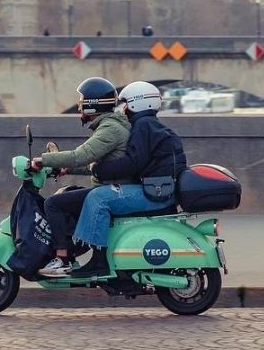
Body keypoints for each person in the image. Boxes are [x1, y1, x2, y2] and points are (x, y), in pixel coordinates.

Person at [71, 81, 187, 277]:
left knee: (98, 198)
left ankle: (98, 261)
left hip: (155, 192)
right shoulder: (152, 125)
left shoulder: (143, 126)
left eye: (124, 103)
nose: (121, 109)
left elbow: (133, 163)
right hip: (161, 188)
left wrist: (100, 171)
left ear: (136, 103)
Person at [30, 77, 137, 277]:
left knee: (54, 203)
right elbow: (98, 165)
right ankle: (70, 253)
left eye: (82, 100)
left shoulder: (110, 129)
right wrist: (67, 170)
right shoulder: (112, 125)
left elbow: (81, 155)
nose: (79, 104)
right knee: (67, 193)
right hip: (111, 186)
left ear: (91, 104)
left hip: (111, 190)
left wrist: (42, 160)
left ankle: (62, 260)